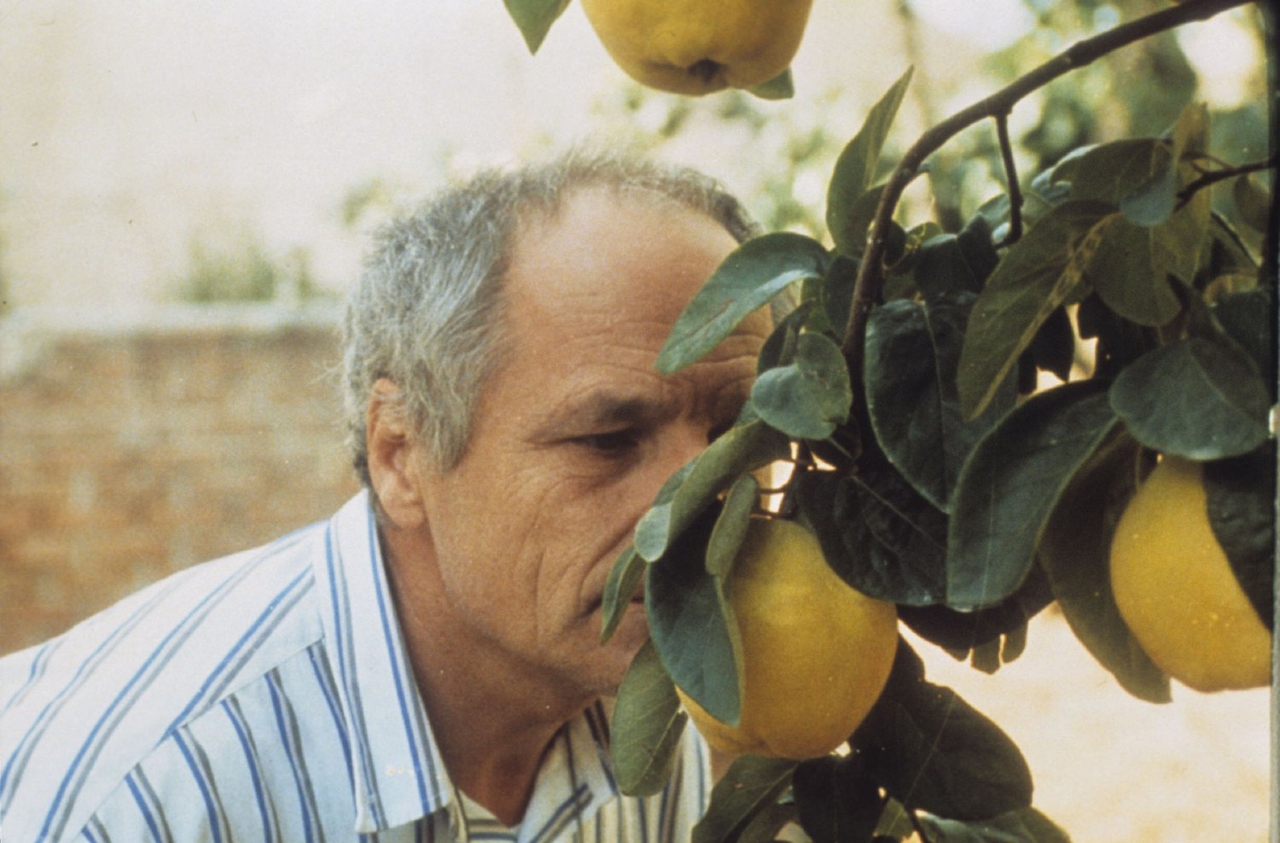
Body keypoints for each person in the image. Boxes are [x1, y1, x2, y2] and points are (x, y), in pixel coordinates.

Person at [0, 149, 774, 842]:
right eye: (607, 440)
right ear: (400, 454)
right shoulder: (144, 794)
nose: (701, 506)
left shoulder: (656, 728)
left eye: (738, 435)